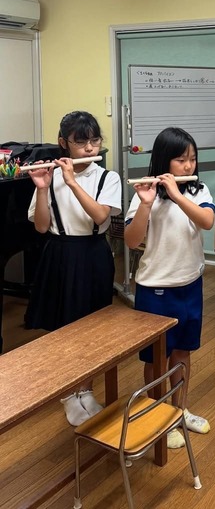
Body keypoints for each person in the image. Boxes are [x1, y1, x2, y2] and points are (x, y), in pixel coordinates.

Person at [26, 111, 122, 426]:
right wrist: (43, 187)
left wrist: (71, 181)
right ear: (64, 143)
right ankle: (69, 393)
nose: (90, 148)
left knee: (93, 329)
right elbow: (41, 227)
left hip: (93, 254)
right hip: (60, 254)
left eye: (94, 140)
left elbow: (100, 217)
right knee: (64, 327)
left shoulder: (107, 177)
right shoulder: (50, 176)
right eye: (81, 142)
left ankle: (87, 389)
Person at [124, 127, 215, 448]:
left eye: (192, 159)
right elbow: (131, 241)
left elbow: (206, 221)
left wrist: (177, 194)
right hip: (155, 290)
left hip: (189, 284)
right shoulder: (145, 195)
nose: (189, 166)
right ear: (164, 161)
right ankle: (157, 414)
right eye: (181, 160)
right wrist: (146, 204)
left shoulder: (199, 191)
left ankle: (179, 410)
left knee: (182, 352)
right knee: (155, 359)